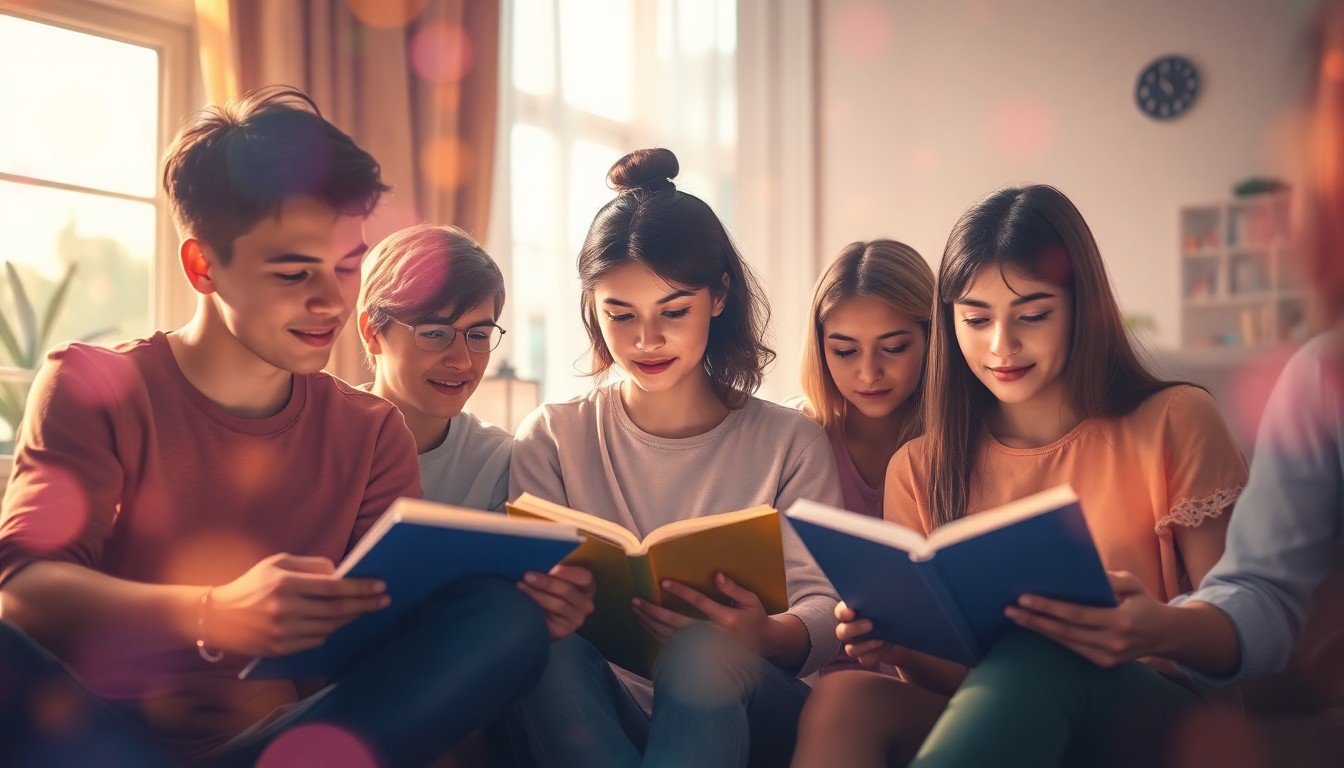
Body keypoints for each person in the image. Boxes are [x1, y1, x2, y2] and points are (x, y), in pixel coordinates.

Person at [0, 86, 549, 768]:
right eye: (294, 272)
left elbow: (385, 637)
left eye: (346, 267)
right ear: (204, 266)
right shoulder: (93, 386)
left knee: (502, 620)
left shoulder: (372, 431)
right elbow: (22, 593)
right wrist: (213, 613)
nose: (331, 301)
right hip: (100, 740)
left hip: (278, 745)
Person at [791, 184, 1248, 768]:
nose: (1001, 346)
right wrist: (896, 642)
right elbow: (958, 685)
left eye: (1032, 315)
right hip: (1015, 713)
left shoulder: (1174, 419)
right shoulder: (920, 465)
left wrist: (1156, 626)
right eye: (976, 319)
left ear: (1082, 307)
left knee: (1040, 651)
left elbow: (1241, 625)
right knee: (847, 697)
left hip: (1157, 717)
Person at [508, 147, 843, 767]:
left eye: (674, 311)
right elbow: (529, 596)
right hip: (610, 711)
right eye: (620, 314)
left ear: (718, 297)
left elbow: (824, 608)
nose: (647, 340)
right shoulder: (553, 436)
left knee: (700, 651)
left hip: (752, 706)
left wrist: (767, 633)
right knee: (541, 648)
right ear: (592, 307)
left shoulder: (790, 440)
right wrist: (544, 606)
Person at [356, 223, 595, 643]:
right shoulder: (322, 434)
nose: (462, 361)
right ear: (373, 333)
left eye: (479, 335)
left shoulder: (500, 460)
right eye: (434, 333)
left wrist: (554, 612)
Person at [796, 239, 933, 675]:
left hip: (927, 684)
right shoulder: (793, 439)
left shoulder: (963, 446)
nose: (869, 373)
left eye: (893, 348)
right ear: (820, 349)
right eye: (845, 351)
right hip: (809, 679)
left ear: (934, 340)